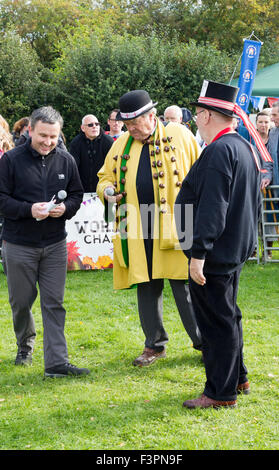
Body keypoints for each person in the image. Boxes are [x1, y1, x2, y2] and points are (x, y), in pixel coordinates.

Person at [175, 80, 271, 409]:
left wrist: (198, 253)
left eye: (196, 116)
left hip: (216, 253)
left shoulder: (219, 150)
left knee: (217, 323)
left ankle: (219, 392)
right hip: (232, 250)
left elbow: (212, 207)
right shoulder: (242, 145)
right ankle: (238, 377)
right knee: (228, 316)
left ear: (204, 115)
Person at [97, 89, 202, 367]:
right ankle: (153, 344)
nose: (130, 129)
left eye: (135, 123)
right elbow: (105, 175)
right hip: (135, 221)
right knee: (145, 283)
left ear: (152, 116)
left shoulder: (180, 135)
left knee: (185, 285)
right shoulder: (121, 143)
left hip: (178, 220)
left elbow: (202, 172)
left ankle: (205, 342)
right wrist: (107, 190)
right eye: (127, 124)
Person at [0, 106, 90, 378]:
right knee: (21, 302)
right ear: (30, 130)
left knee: (54, 302)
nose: (48, 142)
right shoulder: (10, 160)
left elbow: (76, 194)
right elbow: (1, 200)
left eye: (53, 136)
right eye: (43, 136)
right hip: (18, 244)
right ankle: (25, 345)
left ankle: (56, 363)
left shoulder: (66, 160)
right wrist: (29, 210)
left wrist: (66, 209)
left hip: (54, 244)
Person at [70, 114, 114, 193]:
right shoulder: (76, 143)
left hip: (105, 188)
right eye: (90, 125)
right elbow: (73, 168)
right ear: (83, 128)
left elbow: (113, 166)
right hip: (82, 189)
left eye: (97, 124)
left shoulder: (108, 141)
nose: (94, 126)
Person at [262, 102, 279, 257]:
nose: (272, 119)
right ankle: (269, 253)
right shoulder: (273, 134)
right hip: (276, 185)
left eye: (274, 115)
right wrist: (266, 176)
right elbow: (268, 161)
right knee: (273, 217)